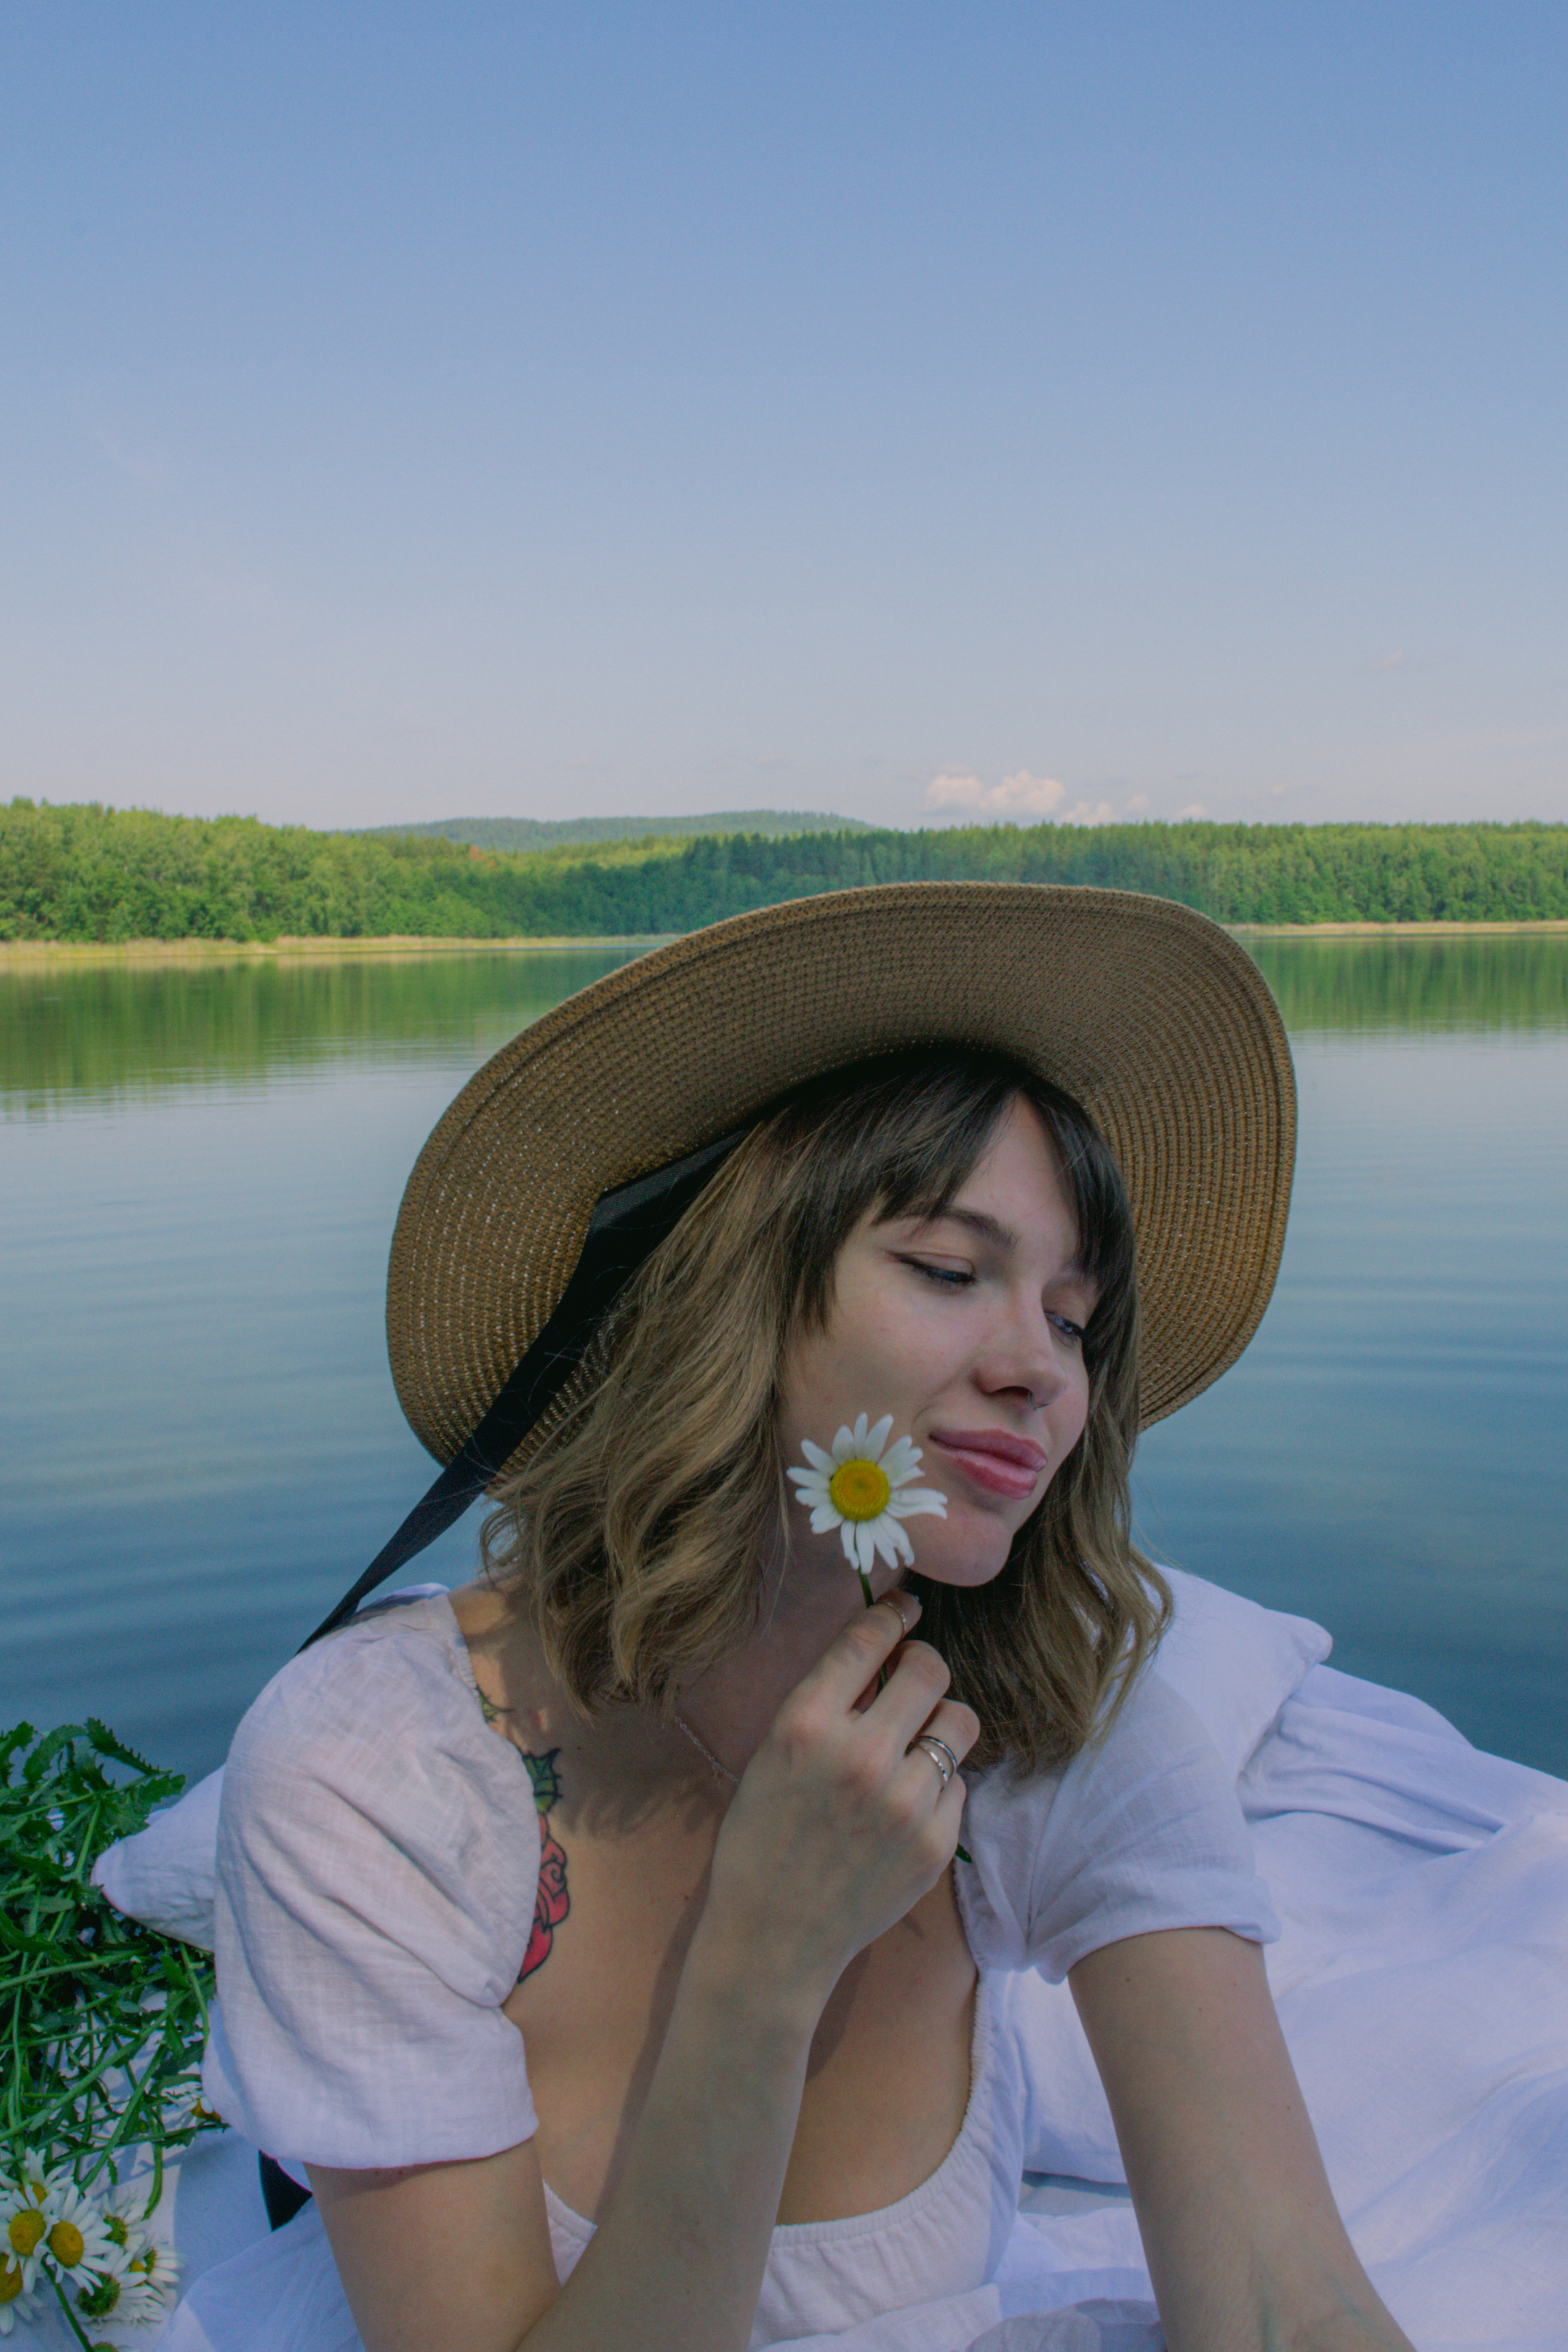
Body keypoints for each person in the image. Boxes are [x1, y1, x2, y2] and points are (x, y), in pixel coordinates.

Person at [173, 884, 1419, 2352]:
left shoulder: (1052, 1710)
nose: (1043, 1371)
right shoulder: (376, 1778)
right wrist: (762, 1962)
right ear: (728, 1295)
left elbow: (1286, 2302)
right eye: (951, 1272)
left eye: (1074, 1318)